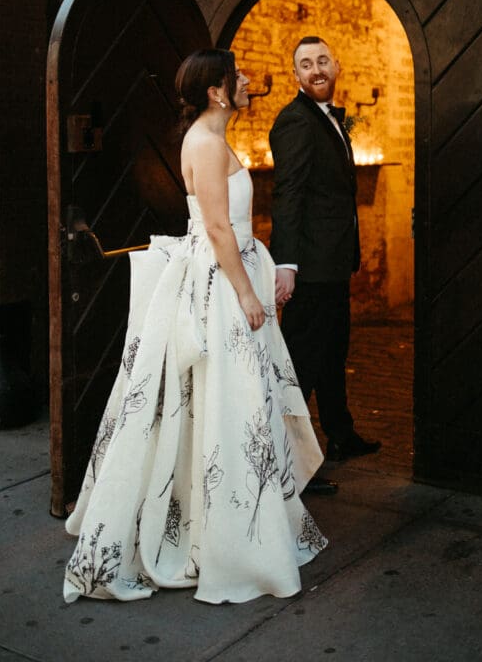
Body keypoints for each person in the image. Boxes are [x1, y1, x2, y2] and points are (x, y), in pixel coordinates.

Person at [63, 49, 327, 605]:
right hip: (221, 288)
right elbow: (216, 228)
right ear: (216, 91)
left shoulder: (214, 138)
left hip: (227, 278)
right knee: (225, 401)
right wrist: (247, 294)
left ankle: (234, 519)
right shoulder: (204, 145)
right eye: (239, 77)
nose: (249, 81)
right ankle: (225, 537)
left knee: (231, 405)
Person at [269, 35, 381, 494]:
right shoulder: (295, 122)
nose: (315, 70)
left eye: (321, 61)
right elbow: (288, 193)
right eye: (305, 65)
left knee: (334, 353)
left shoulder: (329, 118)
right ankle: (289, 463)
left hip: (332, 261)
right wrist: (288, 263)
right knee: (301, 365)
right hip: (311, 265)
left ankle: (340, 435)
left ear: (336, 66)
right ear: (295, 76)